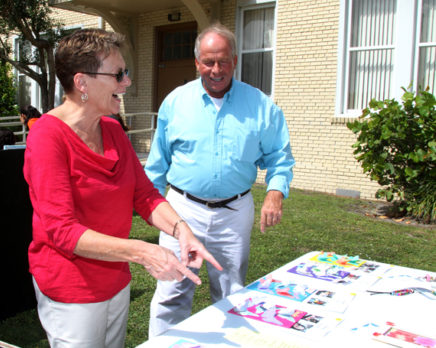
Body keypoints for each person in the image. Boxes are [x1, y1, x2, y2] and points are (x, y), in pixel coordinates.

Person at [23, 28, 222, 348]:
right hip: (71, 290)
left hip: (114, 281)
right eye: (118, 74)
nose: (126, 82)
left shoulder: (112, 130)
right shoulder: (47, 138)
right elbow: (63, 232)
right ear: (82, 83)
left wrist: (182, 230)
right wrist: (143, 252)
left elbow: (144, 195)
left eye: (125, 73)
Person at [145, 23, 295, 337]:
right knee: (172, 290)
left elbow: (280, 157)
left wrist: (275, 192)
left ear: (235, 61)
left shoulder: (260, 106)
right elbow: (157, 165)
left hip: (234, 213)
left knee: (231, 293)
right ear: (197, 62)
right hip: (182, 211)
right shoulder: (175, 102)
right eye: (209, 61)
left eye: (223, 61)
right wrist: (153, 208)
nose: (216, 69)